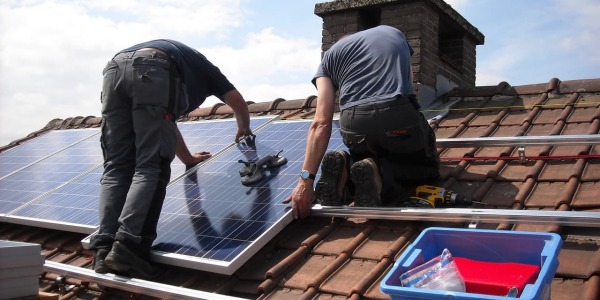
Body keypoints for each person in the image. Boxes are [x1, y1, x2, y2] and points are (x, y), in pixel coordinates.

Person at [89, 39, 254, 279]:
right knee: (150, 167)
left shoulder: (185, 64)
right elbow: (237, 102)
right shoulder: (207, 71)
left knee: (116, 167)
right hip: (152, 67)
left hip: (114, 69)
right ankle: (128, 248)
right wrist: (244, 128)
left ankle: (104, 250)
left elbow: (165, 124)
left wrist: (187, 157)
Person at [285, 25, 440, 219]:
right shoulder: (393, 32)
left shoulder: (329, 58)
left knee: (364, 157)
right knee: (426, 167)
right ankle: (381, 176)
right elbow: (409, 86)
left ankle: (347, 168)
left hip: (354, 123)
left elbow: (321, 122)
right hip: (396, 112)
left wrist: (305, 181)